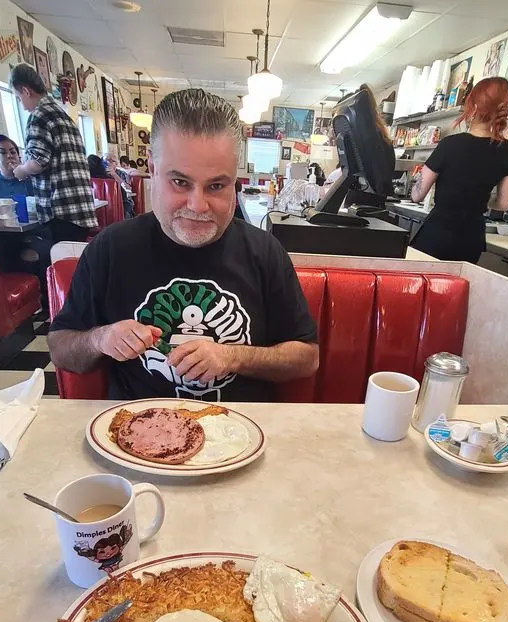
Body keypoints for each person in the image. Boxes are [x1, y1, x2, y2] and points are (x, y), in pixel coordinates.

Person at [49, 88, 319, 402]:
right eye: (180, 182)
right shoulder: (110, 248)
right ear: (152, 167)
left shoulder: (265, 252)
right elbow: (61, 349)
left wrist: (233, 357)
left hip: (242, 429)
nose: (198, 205)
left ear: (235, 179)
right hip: (135, 430)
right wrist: (100, 338)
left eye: (216, 186)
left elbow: (306, 358)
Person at [410, 77, 508, 263]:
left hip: (438, 233)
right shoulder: (507, 150)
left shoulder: (450, 144)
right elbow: (503, 203)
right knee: (456, 290)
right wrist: (478, 198)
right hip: (471, 238)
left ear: (473, 106)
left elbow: (417, 195)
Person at [9, 64, 97, 243]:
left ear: (26, 91)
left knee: (60, 265)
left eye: (18, 98)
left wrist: (21, 170)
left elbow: (38, 161)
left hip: (60, 208)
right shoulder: (64, 117)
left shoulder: (39, 115)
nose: (22, 105)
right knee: (73, 262)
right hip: (80, 205)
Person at [0, 134, 51, 305]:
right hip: (0, 235)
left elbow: (42, 206)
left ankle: (46, 301)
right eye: (3, 152)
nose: (9, 156)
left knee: (43, 250)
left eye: (13, 152)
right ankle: (2, 301)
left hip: (30, 233)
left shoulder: (30, 180)